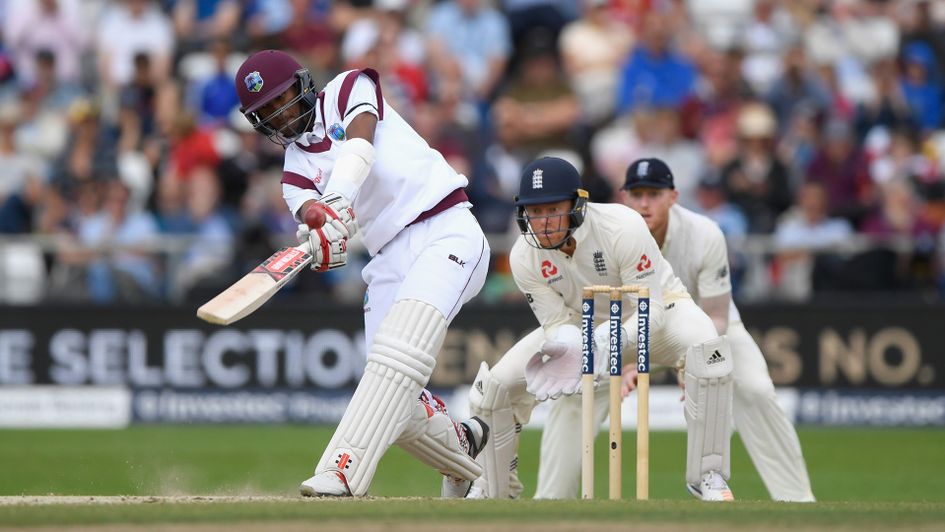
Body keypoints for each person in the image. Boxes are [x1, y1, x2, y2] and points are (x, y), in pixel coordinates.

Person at [234, 49, 491, 497]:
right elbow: (315, 219)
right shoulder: (294, 175)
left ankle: (341, 472)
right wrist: (324, 237)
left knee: (397, 357)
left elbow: (360, 145)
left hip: (447, 229)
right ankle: (464, 450)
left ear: (303, 85)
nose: (280, 115)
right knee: (392, 393)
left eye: (283, 100)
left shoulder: (348, 88)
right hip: (387, 257)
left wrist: (335, 202)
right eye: (267, 113)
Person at [536, 158, 816, 502]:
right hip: (628, 326)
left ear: (673, 196)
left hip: (704, 324)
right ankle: (551, 501)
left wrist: (694, 362)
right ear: (624, 198)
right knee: (575, 392)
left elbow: (715, 313)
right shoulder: (611, 231)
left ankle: (796, 501)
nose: (644, 203)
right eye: (636, 194)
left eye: (653, 194)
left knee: (756, 389)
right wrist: (625, 360)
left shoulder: (704, 234)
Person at [468, 156, 735, 501]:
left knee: (709, 350)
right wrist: (570, 347)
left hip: (659, 310)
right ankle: (496, 486)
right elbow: (557, 324)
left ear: (577, 206)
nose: (542, 222)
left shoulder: (622, 225)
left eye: (551, 209)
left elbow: (650, 310)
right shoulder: (523, 257)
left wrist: (602, 342)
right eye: (533, 212)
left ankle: (707, 474)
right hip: (583, 323)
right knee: (493, 389)